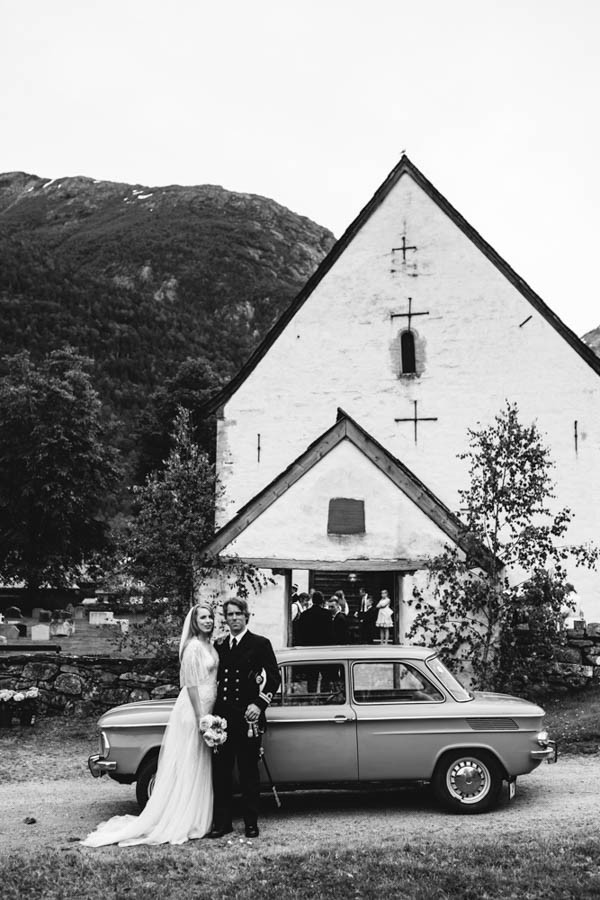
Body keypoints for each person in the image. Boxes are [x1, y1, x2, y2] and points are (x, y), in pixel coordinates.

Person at [81, 603, 218, 846]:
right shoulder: (194, 647)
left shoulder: (211, 644)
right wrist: (200, 717)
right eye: (203, 617)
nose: (208, 620)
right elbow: (192, 685)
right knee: (189, 762)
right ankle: (183, 818)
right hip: (196, 709)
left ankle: (197, 814)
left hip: (210, 705)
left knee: (200, 762)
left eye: (210, 617)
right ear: (195, 622)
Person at [208, 597, 280, 840]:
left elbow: (273, 677)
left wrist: (259, 704)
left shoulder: (260, 643)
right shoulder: (219, 646)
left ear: (246, 616)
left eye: (238, 614)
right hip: (223, 721)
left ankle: (251, 823)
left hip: (248, 720)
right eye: (230, 615)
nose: (234, 618)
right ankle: (223, 822)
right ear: (225, 619)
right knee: (221, 773)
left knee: (249, 774)